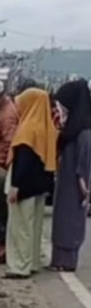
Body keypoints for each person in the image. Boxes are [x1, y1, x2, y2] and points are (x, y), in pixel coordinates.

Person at [5, 88, 58, 279]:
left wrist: (15, 186)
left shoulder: (28, 129)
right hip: (41, 186)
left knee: (20, 227)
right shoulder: (48, 127)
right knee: (34, 228)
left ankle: (19, 266)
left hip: (24, 186)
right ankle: (32, 262)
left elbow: (24, 161)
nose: (18, 107)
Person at [49, 79, 91, 272]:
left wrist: (84, 185)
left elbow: (85, 163)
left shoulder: (84, 133)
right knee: (61, 221)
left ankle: (67, 262)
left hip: (75, 187)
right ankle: (58, 260)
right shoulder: (71, 131)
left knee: (70, 222)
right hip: (65, 184)